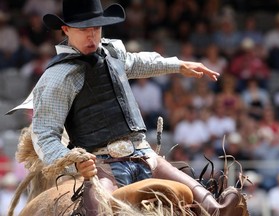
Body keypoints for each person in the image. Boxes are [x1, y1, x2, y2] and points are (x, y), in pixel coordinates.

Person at [10, 0, 248, 215]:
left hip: (145, 156)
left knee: (215, 208)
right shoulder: (57, 76)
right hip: (102, 165)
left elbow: (139, 62)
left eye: (96, 28)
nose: (92, 36)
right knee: (97, 213)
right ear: (66, 30)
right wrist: (73, 161)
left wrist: (178, 64)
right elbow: (44, 134)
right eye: (84, 30)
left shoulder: (113, 52)